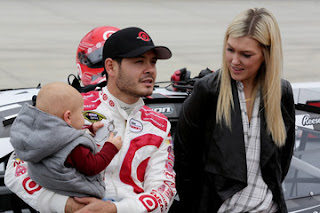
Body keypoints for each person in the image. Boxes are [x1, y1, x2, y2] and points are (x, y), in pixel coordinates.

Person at [5, 26, 176, 213]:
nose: (150, 70)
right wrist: (68, 206)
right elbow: (17, 170)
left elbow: (164, 190)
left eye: (153, 62)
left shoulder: (158, 125)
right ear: (111, 66)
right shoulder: (74, 107)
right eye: (139, 62)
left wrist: (114, 209)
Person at [174, 8, 295, 213]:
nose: (235, 61)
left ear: (267, 55)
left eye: (246, 54)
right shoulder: (207, 91)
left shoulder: (281, 92)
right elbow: (184, 160)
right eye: (230, 50)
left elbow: (282, 160)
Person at [9, 82, 122, 199]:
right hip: (74, 194)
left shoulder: (39, 135)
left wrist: (89, 130)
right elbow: (92, 167)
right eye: (81, 113)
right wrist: (111, 147)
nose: (83, 118)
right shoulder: (75, 148)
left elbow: (63, 138)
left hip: (46, 184)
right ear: (68, 117)